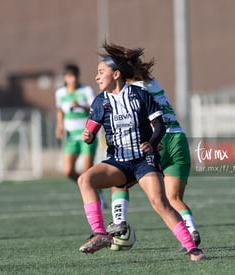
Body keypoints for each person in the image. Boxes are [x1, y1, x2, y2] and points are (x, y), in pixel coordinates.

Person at [76, 42, 204, 261]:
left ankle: (193, 248)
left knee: (160, 202)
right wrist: (87, 137)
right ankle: (101, 233)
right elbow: (89, 132)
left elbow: (160, 125)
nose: (96, 77)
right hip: (118, 161)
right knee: (84, 180)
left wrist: (153, 142)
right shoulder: (99, 102)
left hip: (144, 160)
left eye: (100, 72)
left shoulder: (139, 94)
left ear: (116, 74)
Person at [55, 63, 106, 208]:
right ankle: (89, 186)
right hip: (71, 137)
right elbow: (60, 110)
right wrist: (59, 126)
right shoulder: (60, 93)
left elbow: (95, 109)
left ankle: (96, 196)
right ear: (65, 78)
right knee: (68, 171)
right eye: (70, 76)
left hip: (87, 135)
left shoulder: (86, 90)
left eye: (75, 76)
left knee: (87, 170)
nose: (73, 80)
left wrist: (80, 106)